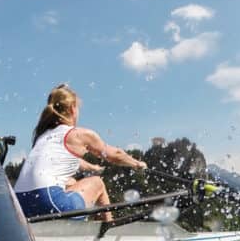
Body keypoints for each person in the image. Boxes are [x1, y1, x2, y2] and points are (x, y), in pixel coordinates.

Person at [13, 84, 147, 222]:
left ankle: (95, 225)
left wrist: (94, 167)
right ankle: (108, 228)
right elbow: (115, 154)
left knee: (71, 182)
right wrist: (137, 164)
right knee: (97, 183)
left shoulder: (42, 137)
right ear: (72, 109)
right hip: (50, 204)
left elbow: (74, 162)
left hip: (19, 207)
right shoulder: (78, 134)